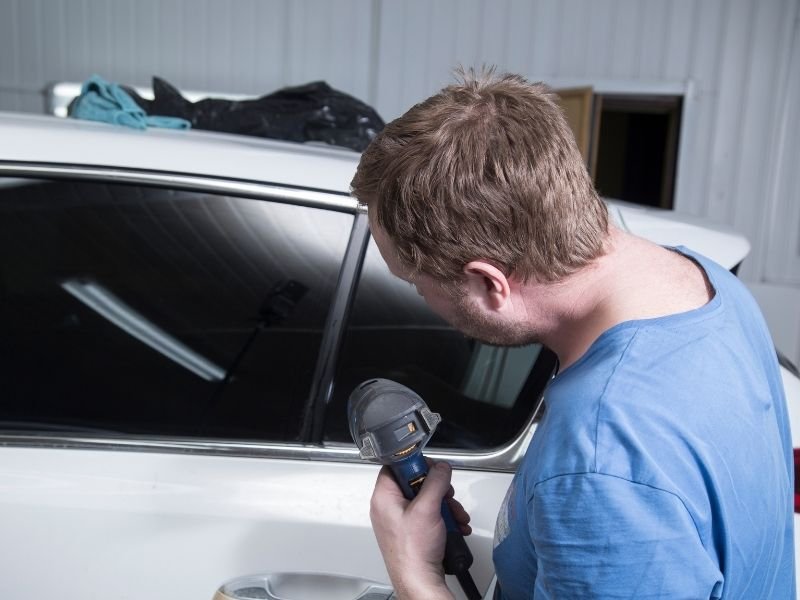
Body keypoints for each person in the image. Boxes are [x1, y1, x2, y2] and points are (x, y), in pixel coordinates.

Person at [349, 69, 795, 600]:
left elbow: (606, 483)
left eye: (417, 284)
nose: (421, 299)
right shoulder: (704, 281)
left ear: (490, 284)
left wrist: (413, 572)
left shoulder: (599, 463)